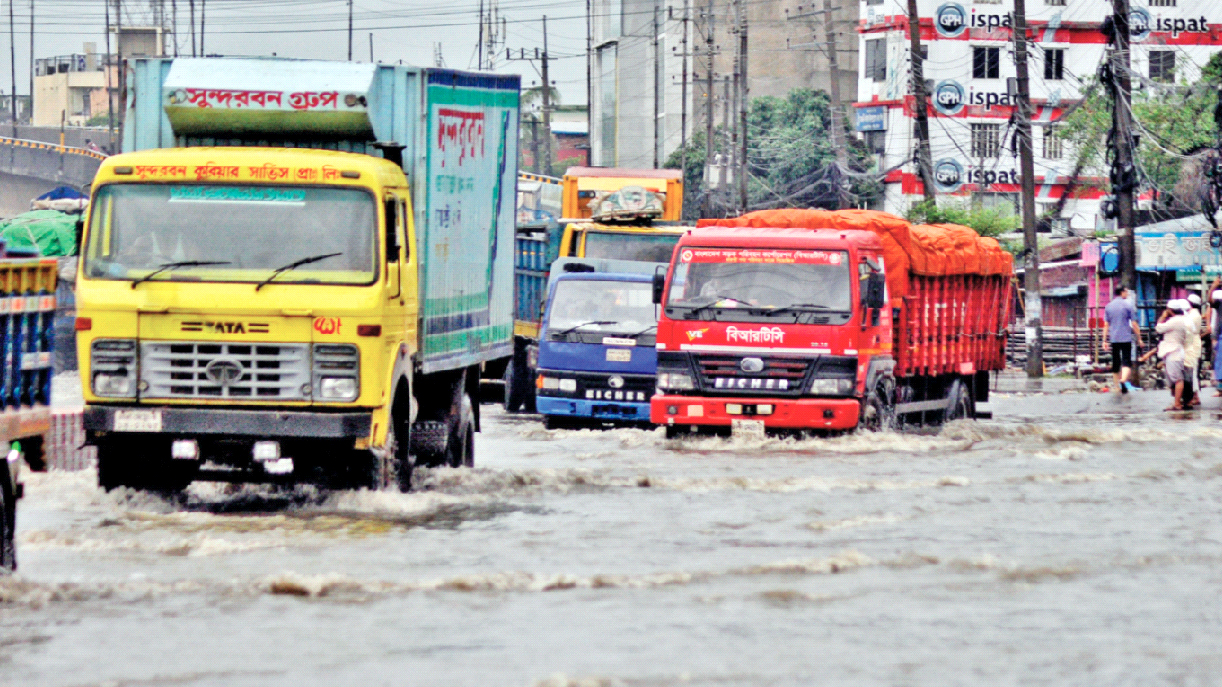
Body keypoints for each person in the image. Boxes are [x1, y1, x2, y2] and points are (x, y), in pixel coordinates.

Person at [1148, 300, 1191, 411]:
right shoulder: (1181, 320)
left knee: (1177, 379)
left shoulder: (1174, 321)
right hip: (1175, 351)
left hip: (1174, 351)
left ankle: (1177, 403)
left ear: (1170, 310)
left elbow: (1159, 328)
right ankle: (1177, 401)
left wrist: (1162, 317)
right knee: (1174, 379)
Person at [1102, 284, 1142, 394]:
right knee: (1126, 361)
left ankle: (1117, 386)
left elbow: (1106, 325)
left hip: (1114, 338)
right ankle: (1123, 380)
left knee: (1116, 362)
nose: (1128, 293)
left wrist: (1104, 340)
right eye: (1126, 291)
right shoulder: (1128, 306)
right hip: (1125, 338)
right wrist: (1139, 338)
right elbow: (1134, 324)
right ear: (1122, 292)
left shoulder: (1109, 306)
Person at [1183, 293, 1204, 407]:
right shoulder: (1194, 314)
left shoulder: (1193, 315)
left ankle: (1195, 396)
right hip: (1194, 341)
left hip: (1192, 342)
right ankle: (1194, 395)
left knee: (1193, 370)